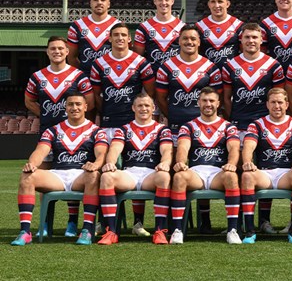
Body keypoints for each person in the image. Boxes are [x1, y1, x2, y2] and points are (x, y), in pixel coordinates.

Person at [12, 92, 107, 246]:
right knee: (27, 176)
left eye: (78, 104)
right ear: (65, 107)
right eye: (70, 104)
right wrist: (32, 164)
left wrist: (96, 164)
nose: (74, 107)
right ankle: (25, 232)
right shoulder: (53, 130)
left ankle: (87, 230)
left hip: (81, 175)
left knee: (94, 175)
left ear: (85, 107)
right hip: (57, 175)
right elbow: (40, 151)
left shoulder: (96, 131)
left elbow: (102, 153)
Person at [24, 36, 94, 237]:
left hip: (76, 134)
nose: (57, 51)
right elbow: (29, 101)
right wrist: (47, 117)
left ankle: (72, 223)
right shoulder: (37, 77)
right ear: (47, 52)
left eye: (61, 48)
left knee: (73, 171)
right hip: (48, 134)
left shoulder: (78, 76)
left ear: (66, 52)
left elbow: (89, 102)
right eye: (53, 48)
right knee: (44, 177)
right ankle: (46, 223)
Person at [221, 22, 286, 234]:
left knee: (265, 171)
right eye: (247, 37)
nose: (251, 41)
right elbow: (227, 98)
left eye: (255, 38)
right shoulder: (230, 65)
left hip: (266, 128)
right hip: (239, 126)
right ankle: (238, 221)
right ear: (241, 40)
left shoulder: (273, 65)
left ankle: (264, 220)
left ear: (261, 40)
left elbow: (278, 96)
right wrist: (234, 120)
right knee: (240, 172)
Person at [94, 93, 173, 245]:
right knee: (106, 177)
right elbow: (115, 149)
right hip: (129, 173)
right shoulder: (123, 130)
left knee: (164, 176)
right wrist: (110, 162)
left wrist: (165, 163)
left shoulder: (162, 130)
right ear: (133, 108)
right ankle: (111, 232)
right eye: (140, 106)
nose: (143, 109)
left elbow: (167, 151)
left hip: (151, 173)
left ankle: (160, 231)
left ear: (153, 108)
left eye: (147, 106)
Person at [169, 87, 242, 244]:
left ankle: (232, 230)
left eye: (211, 101)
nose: (208, 104)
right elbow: (182, 147)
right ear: (198, 103)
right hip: (196, 173)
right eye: (204, 100)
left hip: (218, 172)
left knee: (231, 176)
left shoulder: (228, 127)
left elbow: (234, 149)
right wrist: (181, 162)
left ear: (218, 103)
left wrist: (231, 164)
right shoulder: (188, 127)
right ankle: (177, 231)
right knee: (179, 176)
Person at [240, 88, 292, 244]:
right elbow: (248, 146)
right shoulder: (257, 124)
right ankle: (250, 231)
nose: (276, 106)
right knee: (246, 176)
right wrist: (247, 162)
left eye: (280, 102)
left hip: (287, 173)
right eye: (273, 102)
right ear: (267, 104)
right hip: (264, 173)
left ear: (286, 104)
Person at [155, 25, 224, 135]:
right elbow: (160, 98)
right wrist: (172, 115)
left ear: (199, 42)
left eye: (193, 39)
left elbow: (218, 98)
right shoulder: (166, 67)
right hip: (175, 125)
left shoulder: (211, 68)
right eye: (185, 38)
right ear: (179, 41)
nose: (189, 42)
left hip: (203, 126)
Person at [90, 23, 156, 137]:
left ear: (129, 38)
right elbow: (96, 95)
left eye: (123, 35)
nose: (120, 38)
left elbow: (150, 93)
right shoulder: (98, 64)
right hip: (109, 122)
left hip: (134, 122)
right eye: (116, 35)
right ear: (110, 38)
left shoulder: (141, 62)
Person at [68, 0, 121, 74]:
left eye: (103, 0)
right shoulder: (77, 26)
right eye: (95, 0)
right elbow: (71, 57)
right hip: (86, 77)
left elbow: (125, 53)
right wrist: (82, 74)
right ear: (90, 3)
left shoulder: (118, 25)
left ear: (108, 4)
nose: (99, 2)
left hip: (110, 77)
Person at [133, 0, 186, 73]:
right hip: (153, 76)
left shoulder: (182, 26)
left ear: (172, 1)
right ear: (155, 1)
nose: (163, 2)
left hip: (176, 76)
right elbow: (138, 57)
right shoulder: (144, 27)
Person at [196, 0, 243, 67]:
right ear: (208, 4)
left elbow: (243, 53)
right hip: (208, 73)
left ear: (227, 4)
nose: (216, 5)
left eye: (220, 2)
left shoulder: (238, 25)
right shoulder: (200, 26)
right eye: (213, 2)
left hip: (230, 73)